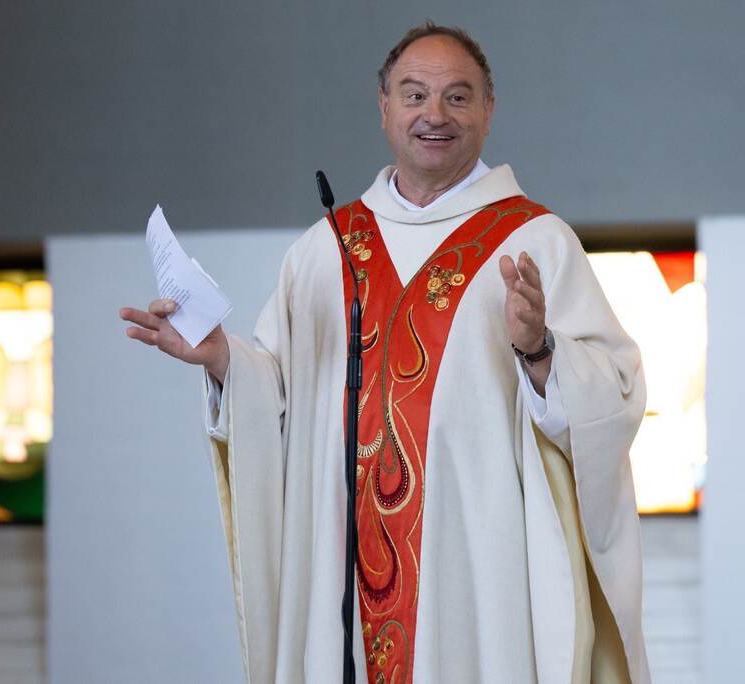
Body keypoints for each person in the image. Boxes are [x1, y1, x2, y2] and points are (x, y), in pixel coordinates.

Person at [120, 22, 649, 684]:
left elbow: (617, 396)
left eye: (458, 97)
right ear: (383, 108)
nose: (435, 114)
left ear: (489, 112)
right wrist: (225, 360)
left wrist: (542, 350)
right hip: (342, 587)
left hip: (477, 585)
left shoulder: (536, 241)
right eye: (414, 94)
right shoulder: (326, 248)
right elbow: (283, 403)